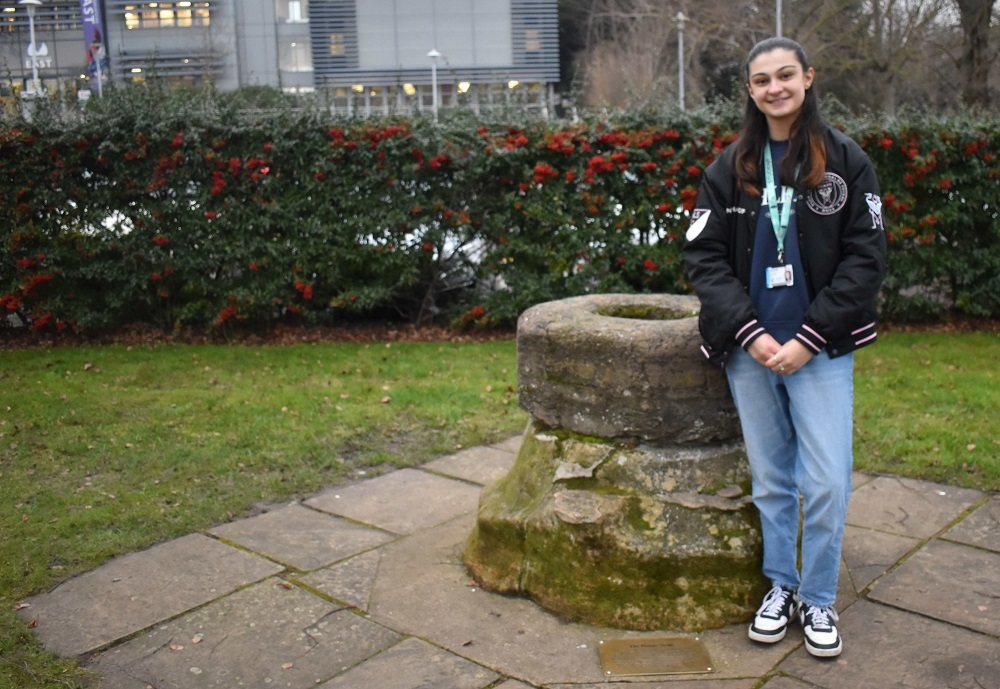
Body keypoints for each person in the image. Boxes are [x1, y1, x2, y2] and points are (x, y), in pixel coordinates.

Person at [682, 37, 887, 658]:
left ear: (808, 78)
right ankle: (782, 585)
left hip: (818, 349)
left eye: (786, 75)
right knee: (772, 480)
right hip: (751, 351)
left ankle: (818, 598)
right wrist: (750, 332)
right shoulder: (729, 167)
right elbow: (702, 257)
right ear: (750, 90)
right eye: (762, 80)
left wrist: (809, 337)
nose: (775, 88)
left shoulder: (846, 160)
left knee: (826, 482)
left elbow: (866, 258)